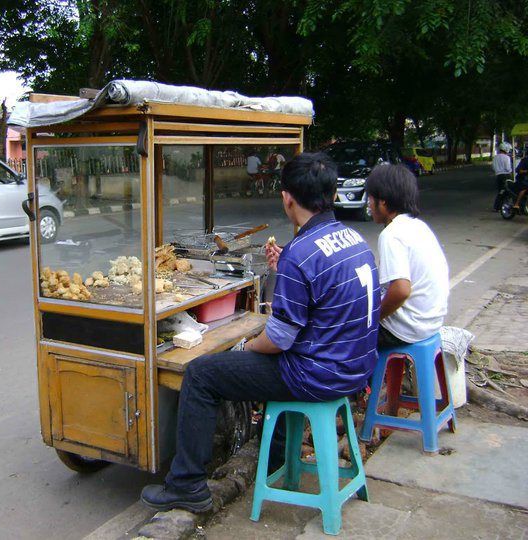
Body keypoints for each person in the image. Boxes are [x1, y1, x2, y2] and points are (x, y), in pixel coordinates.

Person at [140, 152, 380, 513]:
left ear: (287, 198)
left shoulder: (301, 254)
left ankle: (186, 484)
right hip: (356, 369)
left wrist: (246, 346)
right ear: (330, 195)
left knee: (202, 373)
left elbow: (279, 339)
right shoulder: (352, 238)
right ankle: (275, 457)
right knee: (259, 364)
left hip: (318, 376)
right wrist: (284, 269)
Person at [365, 164, 449, 349]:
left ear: (384, 202)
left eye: (371, 198)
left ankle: (362, 377)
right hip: (431, 322)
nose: (369, 204)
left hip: (407, 329)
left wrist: (373, 319)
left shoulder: (391, 234)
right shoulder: (418, 226)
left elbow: (401, 290)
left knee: (344, 334)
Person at [492, 144, 512, 211]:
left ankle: (497, 206)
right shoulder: (506, 157)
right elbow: (508, 168)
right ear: (506, 149)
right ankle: (501, 206)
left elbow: (493, 167)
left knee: (500, 191)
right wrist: (511, 171)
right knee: (507, 191)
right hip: (506, 175)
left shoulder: (495, 157)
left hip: (498, 175)